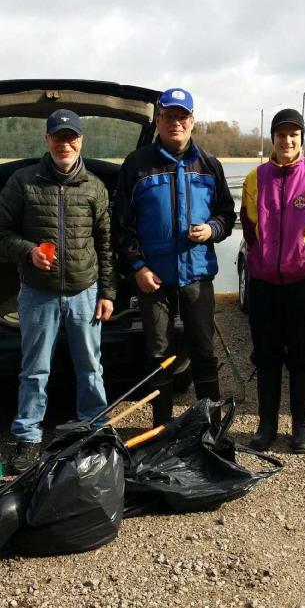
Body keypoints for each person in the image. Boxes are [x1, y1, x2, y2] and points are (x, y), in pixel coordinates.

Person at [0, 109, 115, 474]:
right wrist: (28, 252)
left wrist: (108, 292)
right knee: (34, 370)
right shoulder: (22, 182)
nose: (65, 143)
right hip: (38, 293)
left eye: (72, 137)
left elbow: (106, 245)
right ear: (47, 140)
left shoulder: (95, 186)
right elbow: (2, 234)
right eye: (58, 137)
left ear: (81, 140)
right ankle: (28, 437)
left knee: (91, 369)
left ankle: (94, 431)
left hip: (85, 290)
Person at [112, 88, 236, 427]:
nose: (175, 123)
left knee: (204, 352)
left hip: (196, 276)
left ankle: (208, 429)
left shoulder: (210, 165)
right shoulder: (136, 165)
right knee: (159, 357)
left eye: (182, 117)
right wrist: (137, 267)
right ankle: (161, 430)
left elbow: (227, 214)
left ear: (193, 122)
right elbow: (121, 226)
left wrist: (212, 229)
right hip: (153, 280)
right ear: (158, 120)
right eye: (168, 117)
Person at [241, 109, 305, 453]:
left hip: (303, 283)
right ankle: (266, 425)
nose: (287, 140)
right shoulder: (255, 179)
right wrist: (266, 261)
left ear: (301, 138)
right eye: (281, 135)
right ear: (273, 139)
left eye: (293, 134)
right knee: (266, 357)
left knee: (302, 357)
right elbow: (250, 232)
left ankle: (301, 427)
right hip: (265, 284)